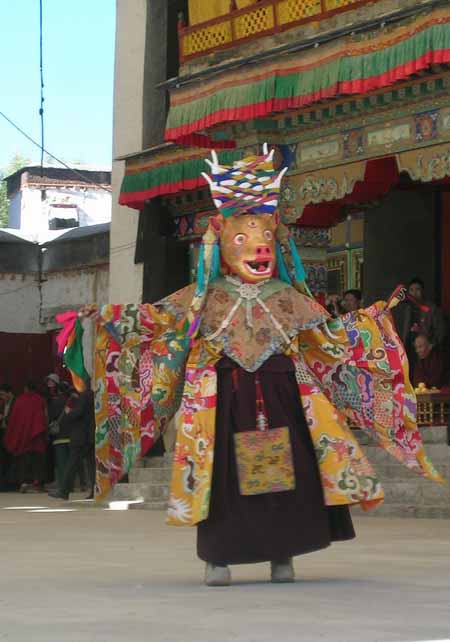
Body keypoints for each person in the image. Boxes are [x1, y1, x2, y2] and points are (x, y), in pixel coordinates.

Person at [57, 147, 442, 586]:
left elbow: (331, 336)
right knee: (223, 480)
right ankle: (218, 557)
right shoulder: (203, 297)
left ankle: (283, 555)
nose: (256, 249)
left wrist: (371, 321)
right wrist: (106, 317)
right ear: (220, 243)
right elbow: (159, 322)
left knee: (290, 477)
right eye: (243, 239)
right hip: (222, 404)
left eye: (263, 240)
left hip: (285, 400)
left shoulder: (289, 296)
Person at [49, 381, 95, 501]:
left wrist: (69, 413)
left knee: (72, 464)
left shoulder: (84, 396)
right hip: (90, 435)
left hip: (80, 436)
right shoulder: (94, 395)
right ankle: (94, 491)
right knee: (91, 465)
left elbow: (77, 413)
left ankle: (64, 491)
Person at [4, 382, 47, 493]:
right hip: (37, 435)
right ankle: (38, 484)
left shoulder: (20, 400)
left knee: (24, 461)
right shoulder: (40, 400)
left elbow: (14, 418)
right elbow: (45, 416)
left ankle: (24, 483)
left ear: (26, 389)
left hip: (23, 436)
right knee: (38, 461)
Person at [402, 277, 446, 371]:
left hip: (427, 353)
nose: (415, 293)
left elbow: (441, 332)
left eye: (418, 289)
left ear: (423, 291)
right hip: (410, 352)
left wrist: (431, 345)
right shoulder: (407, 309)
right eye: (412, 290)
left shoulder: (432, 309)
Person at [0, 384, 15, 490]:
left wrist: (4, 418)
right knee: (3, 460)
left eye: (3, 394)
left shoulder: (16, 402)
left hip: (12, 433)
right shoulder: (3, 404)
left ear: (9, 393)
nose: (1, 397)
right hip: (3, 433)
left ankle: (11, 483)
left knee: (11, 460)